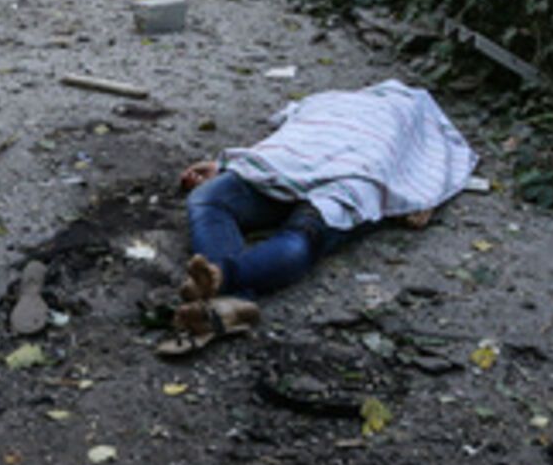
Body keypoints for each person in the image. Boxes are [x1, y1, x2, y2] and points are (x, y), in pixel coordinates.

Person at [161, 80, 478, 353]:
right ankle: (228, 301)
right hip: (293, 159)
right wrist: (226, 166)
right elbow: (289, 135)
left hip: (358, 169)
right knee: (209, 197)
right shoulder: (327, 101)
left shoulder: (417, 117)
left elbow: (437, 162)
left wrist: (426, 195)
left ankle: (223, 279)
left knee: (303, 234)